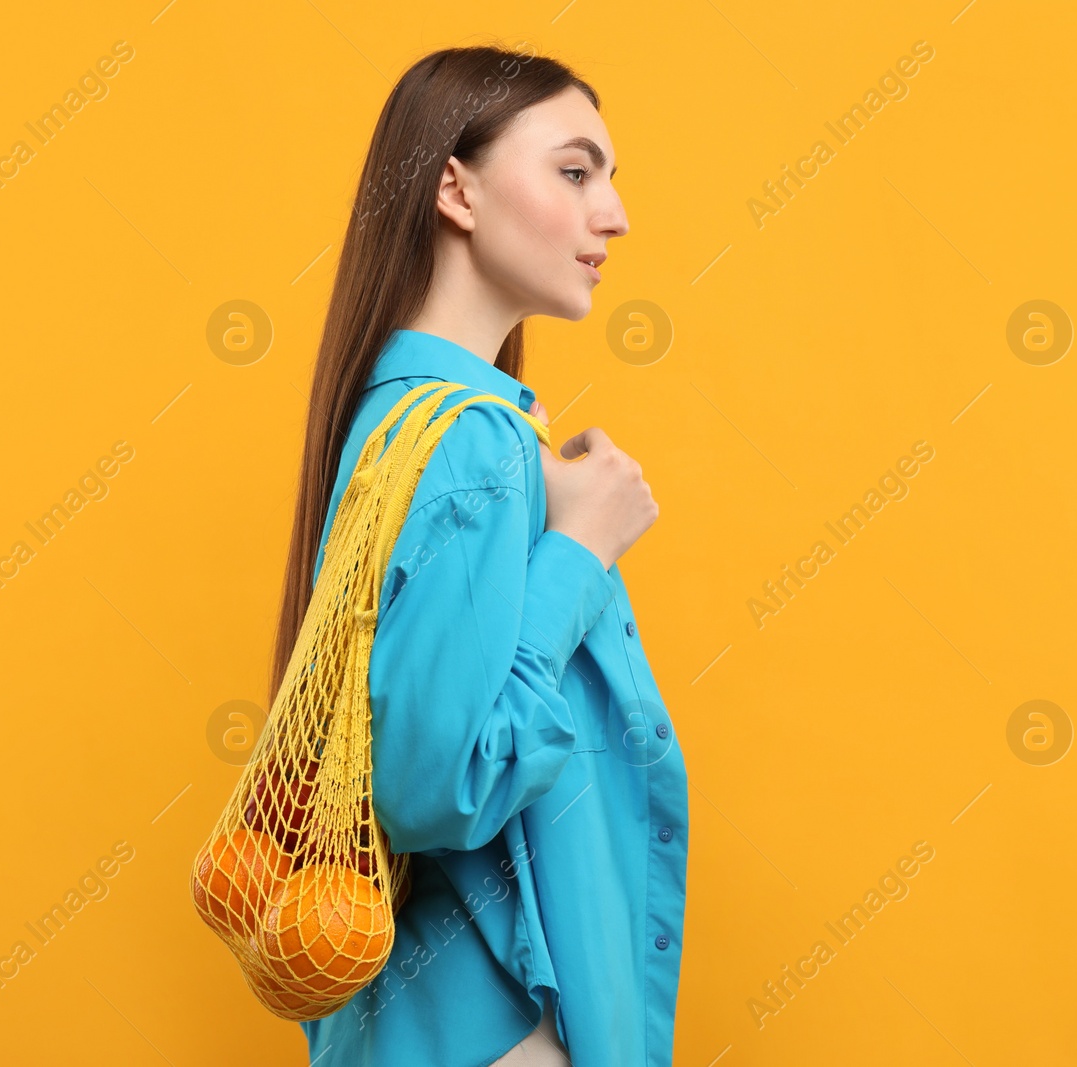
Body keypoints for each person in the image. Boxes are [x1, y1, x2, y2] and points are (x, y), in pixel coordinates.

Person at [271, 43, 687, 1067]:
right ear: (454, 186)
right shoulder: (466, 438)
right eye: (575, 170)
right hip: (494, 1023)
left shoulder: (404, 415)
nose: (615, 214)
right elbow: (432, 786)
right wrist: (581, 550)